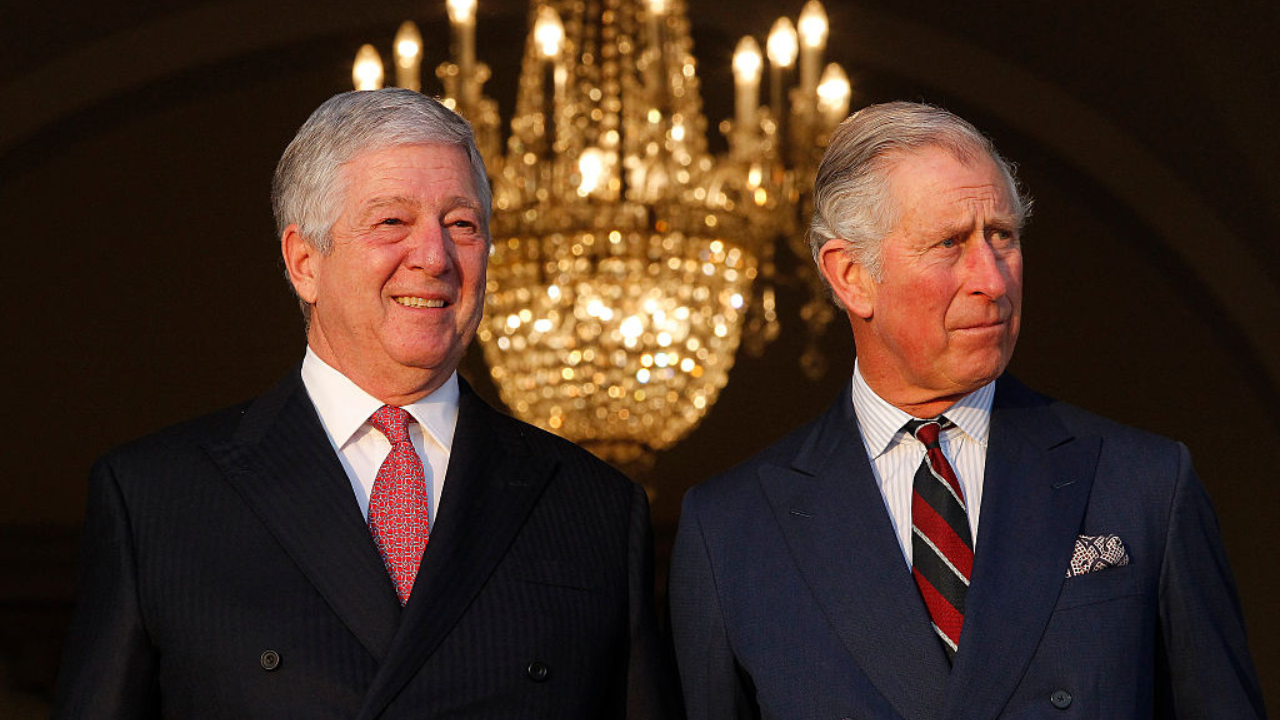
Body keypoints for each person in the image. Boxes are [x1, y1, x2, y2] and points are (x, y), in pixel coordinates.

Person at [53, 89, 672, 720]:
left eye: (462, 225)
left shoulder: (595, 508)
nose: (434, 257)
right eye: (392, 222)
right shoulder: (157, 499)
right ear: (304, 263)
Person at [668, 101, 1266, 720]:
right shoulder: (730, 530)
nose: (994, 280)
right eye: (949, 243)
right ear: (851, 276)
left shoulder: (1145, 484)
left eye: (1002, 236)